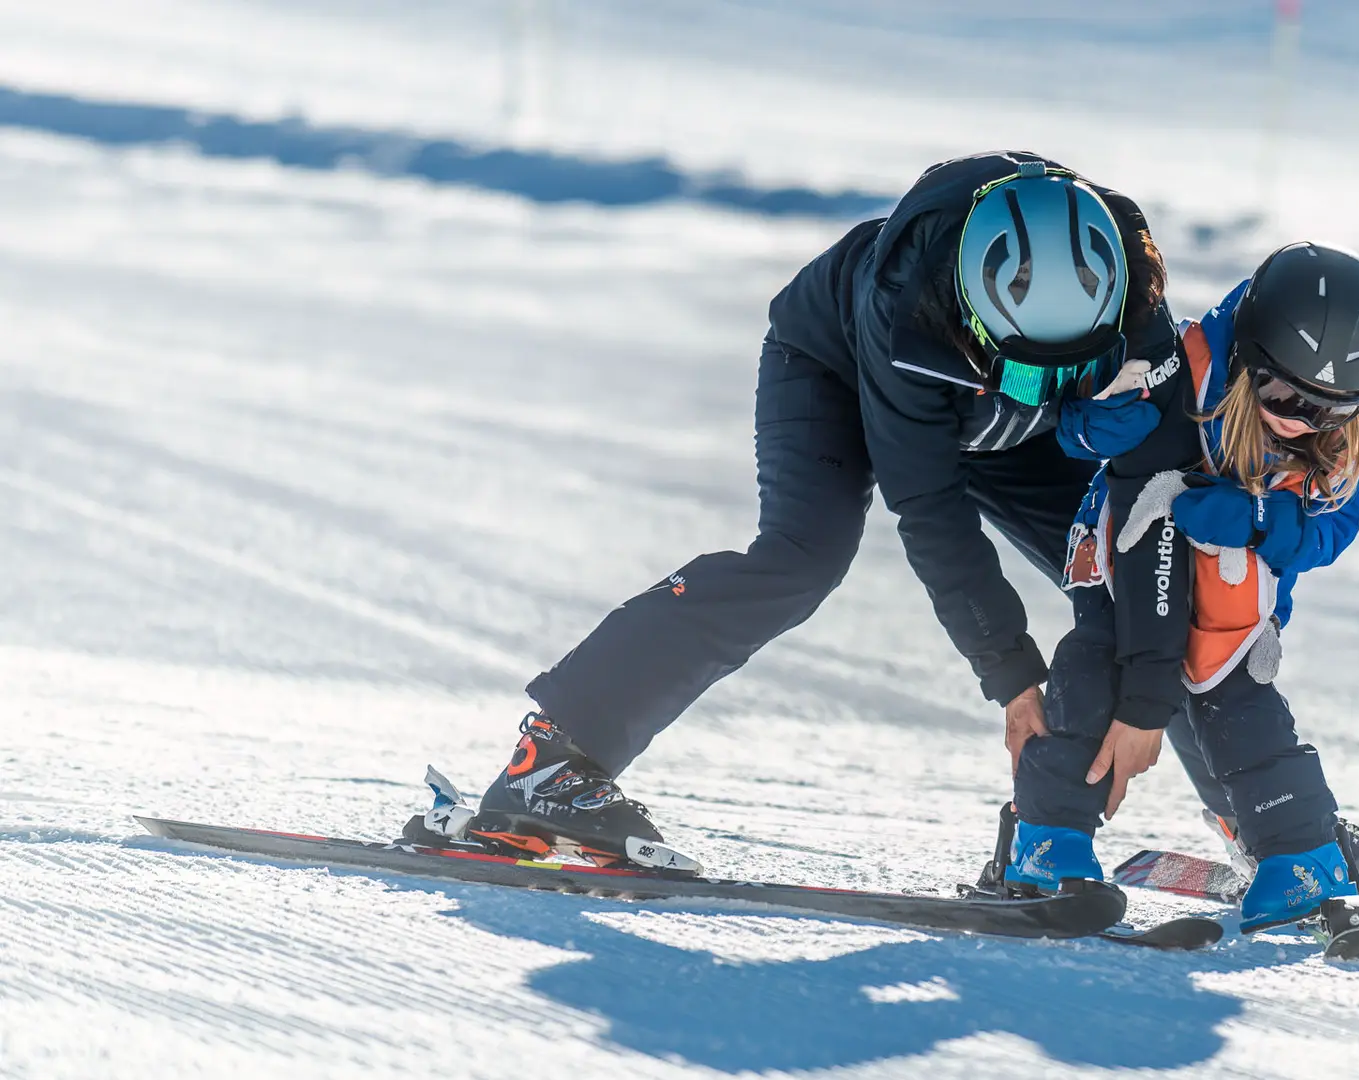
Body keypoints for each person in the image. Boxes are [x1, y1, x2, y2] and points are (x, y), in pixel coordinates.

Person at [448, 152, 1184, 869]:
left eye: (1071, 371)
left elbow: (1159, 516)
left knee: (1131, 576)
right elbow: (932, 509)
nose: (1040, 389)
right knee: (802, 559)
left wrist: (1154, 708)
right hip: (834, 374)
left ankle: (1243, 824)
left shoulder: (1142, 315)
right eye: (1027, 370)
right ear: (974, 306)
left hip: (1004, 427)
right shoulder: (906, 305)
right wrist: (1014, 679)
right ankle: (551, 765)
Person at [1004, 242, 1359, 932]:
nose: (1303, 421)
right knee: (1096, 676)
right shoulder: (1179, 368)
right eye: (1283, 396)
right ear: (1248, 359)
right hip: (1124, 564)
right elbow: (1077, 416)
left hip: (1234, 600)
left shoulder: (1340, 449)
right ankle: (1047, 840)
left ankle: (1299, 850)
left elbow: (1330, 531)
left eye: (1331, 411)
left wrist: (1257, 516)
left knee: (1239, 706)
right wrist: (1093, 421)